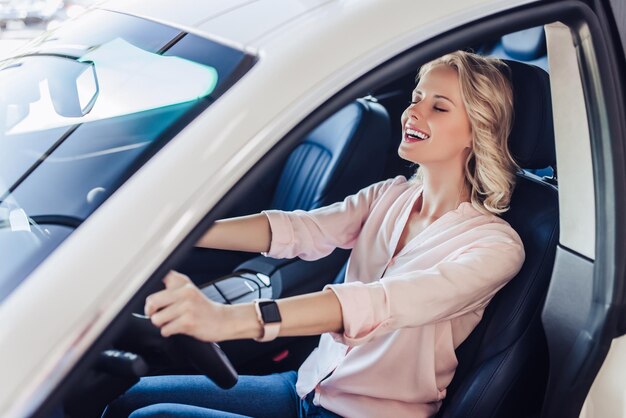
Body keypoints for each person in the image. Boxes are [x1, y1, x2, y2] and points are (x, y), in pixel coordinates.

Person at [103, 50, 525, 418]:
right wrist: (176, 234)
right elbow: (301, 229)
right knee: (125, 398)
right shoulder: (389, 195)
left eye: (439, 107)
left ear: (478, 128)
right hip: (306, 390)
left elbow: (380, 303)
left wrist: (227, 320)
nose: (414, 113)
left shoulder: (495, 247)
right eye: (416, 99)